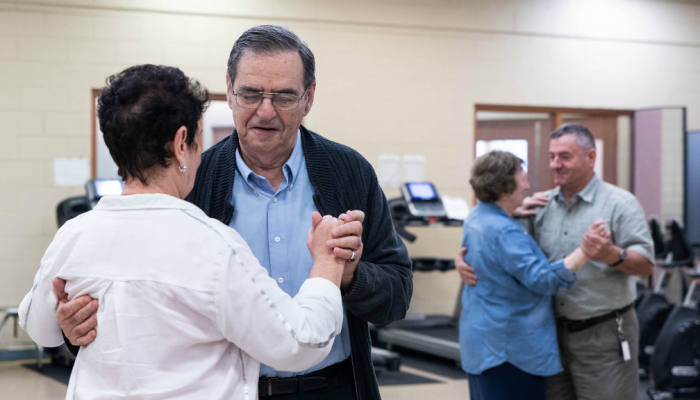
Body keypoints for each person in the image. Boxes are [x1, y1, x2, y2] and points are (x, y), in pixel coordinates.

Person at [54, 25, 413, 400]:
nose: (266, 111)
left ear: (309, 97)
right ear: (229, 90)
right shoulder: (191, 183)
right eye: (251, 94)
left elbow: (398, 293)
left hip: (334, 387)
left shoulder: (349, 173)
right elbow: (136, 295)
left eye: (285, 97)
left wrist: (350, 276)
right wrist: (75, 326)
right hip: (227, 390)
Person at [19, 65, 350, 399]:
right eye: (195, 141)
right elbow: (301, 342)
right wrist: (327, 262)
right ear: (180, 144)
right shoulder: (213, 246)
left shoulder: (74, 235)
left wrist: (65, 322)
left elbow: (39, 328)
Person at [456, 124, 654, 400]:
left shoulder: (620, 204)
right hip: (549, 337)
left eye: (565, 156)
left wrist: (611, 254)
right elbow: (498, 245)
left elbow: (645, 265)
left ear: (591, 157)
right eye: (552, 156)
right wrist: (465, 260)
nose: (555, 165)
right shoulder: (539, 205)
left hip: (601, 334)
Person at [460, 150, 609, 400]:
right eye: (523, 180)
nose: (528, 187)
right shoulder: (505, 232)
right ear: (505, 188)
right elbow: (543, 279)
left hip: (483, 340)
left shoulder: (477, 216)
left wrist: (513, 210)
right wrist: (584, 252)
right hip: (509, 350)